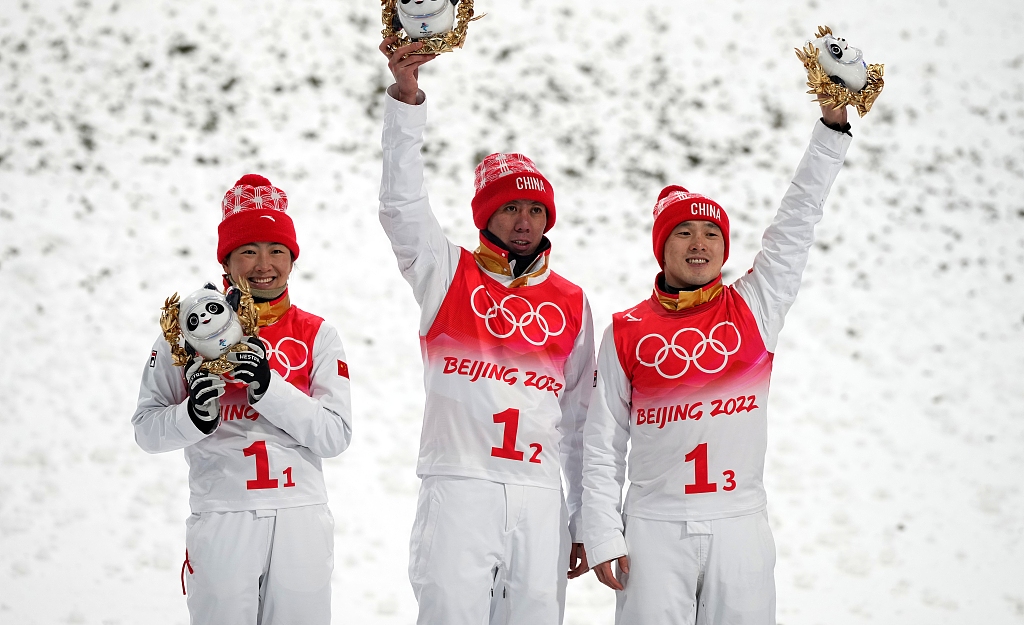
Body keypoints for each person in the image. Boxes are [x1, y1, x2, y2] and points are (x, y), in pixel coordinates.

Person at [581, 101, 855, 624]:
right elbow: (602, 441)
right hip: (653, 527)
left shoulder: (755, 306)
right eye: (683, 233)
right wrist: (601, 531)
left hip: (739, 525)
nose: (699, 244)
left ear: (725, 247)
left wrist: (832, 128)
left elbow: (796, 223)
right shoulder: (626, 329)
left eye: (710, 234)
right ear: (662, 248)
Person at [378, 36, 596, 625]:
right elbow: (400, 206)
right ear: (485, 216)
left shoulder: (572, 302)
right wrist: (406, 100)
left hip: (538, 495)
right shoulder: (445, 272)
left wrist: (582, 517)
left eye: (536, 211)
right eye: (510, 209)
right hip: (459, 486)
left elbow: (579, 420)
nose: (524, 222)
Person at [132, 174, 352, 625]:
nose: (263, 264)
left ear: (292, 258)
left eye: (276, 250)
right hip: (222, 514)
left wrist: (268, 390)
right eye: (248, 250)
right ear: (226, 260)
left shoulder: (318, 333)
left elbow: (335, 435)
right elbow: (147, 431)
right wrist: (193, 417)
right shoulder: (184, 334)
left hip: (300, 517)